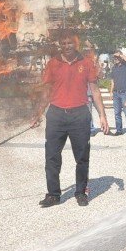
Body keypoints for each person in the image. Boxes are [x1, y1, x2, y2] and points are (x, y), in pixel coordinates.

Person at [40, 32, 109, 208]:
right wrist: (38, 112)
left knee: (82, 157)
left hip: (79, 114)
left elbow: (94, 90)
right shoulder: (53, 63)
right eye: (63, 43)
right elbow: (46, 91)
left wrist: (102, 115)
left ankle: (80, 192)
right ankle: (53, 194)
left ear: (76, 44)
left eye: (69, 42)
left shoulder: (86, 63)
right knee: (52, 157)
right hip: (56, 114)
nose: (66, 45)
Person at [108, 52, 126, 137]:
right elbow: (113, 81)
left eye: (117, 57)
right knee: (117, 113)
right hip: (116, 93)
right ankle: (119, 130)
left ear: (121, 57)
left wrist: (120, 54)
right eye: (114, 58)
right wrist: (111, 92)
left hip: (124, 92)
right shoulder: (114, 68)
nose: (115, 59)